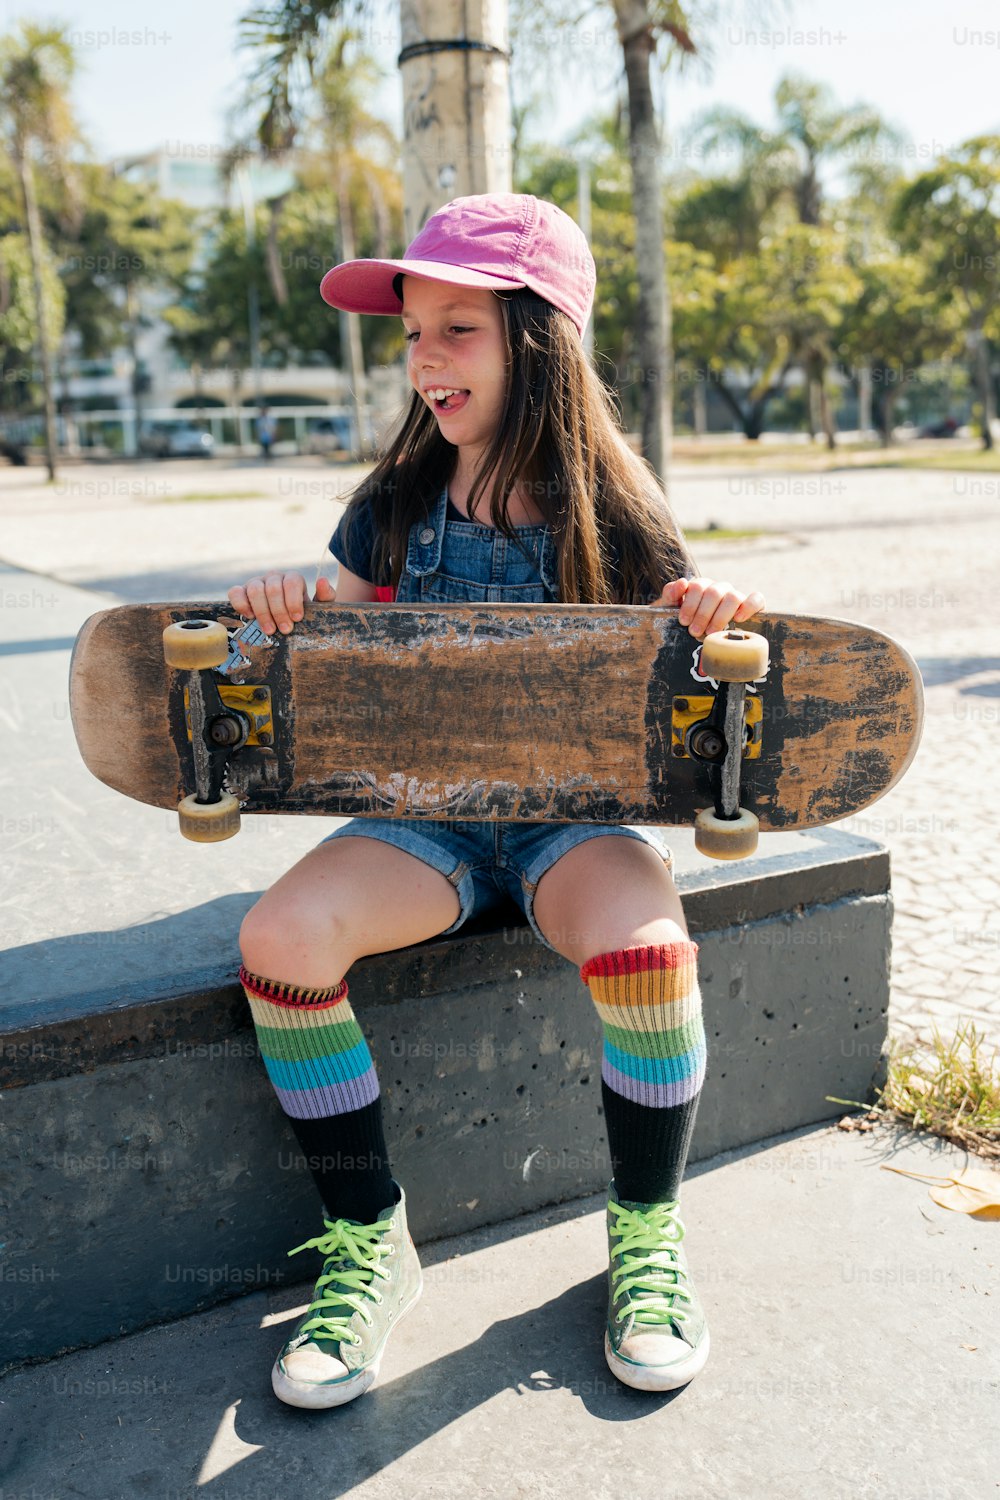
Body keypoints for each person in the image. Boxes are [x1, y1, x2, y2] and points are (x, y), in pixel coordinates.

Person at [227, 193, 764, 1410]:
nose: (422, 358)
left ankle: (644, 1231)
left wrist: (716, 609)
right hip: (425, 815)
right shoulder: (396, 505)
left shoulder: (615, 516)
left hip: (573, 815)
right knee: (280, 939)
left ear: (538, 343)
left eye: (455, 329)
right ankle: (372, 1240)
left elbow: (681, 657)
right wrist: (284, 605)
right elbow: (343, 631)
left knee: (648, 948)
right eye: (414, 332)